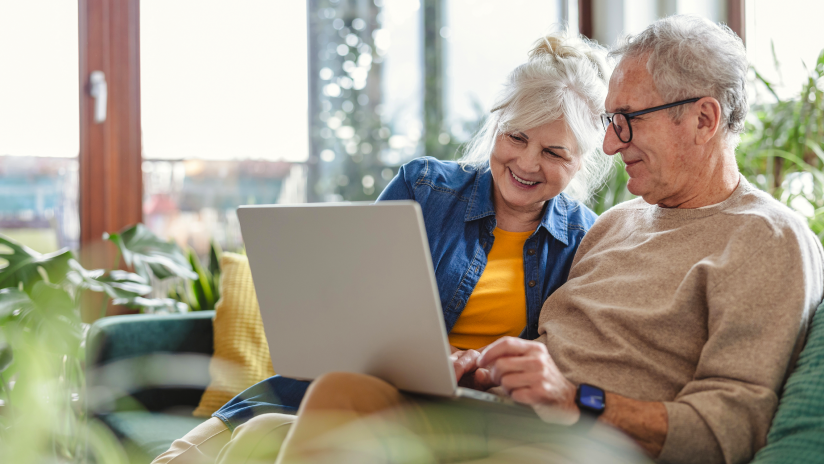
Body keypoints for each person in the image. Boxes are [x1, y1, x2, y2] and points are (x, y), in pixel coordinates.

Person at [259, 15, 824, 464]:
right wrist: (488, 366)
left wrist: (577, 400)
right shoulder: (614, 224)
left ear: (703, 119)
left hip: (587, 445)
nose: (607, 147)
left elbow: (729, 431)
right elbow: (549, 346)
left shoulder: (768, 239)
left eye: (627, 120)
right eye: (609, 122)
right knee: (341, 395)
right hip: (498, 413)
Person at [152, 31, 614, 464]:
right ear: (496, 127)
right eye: (516, 137)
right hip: (349, 387)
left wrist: (485, 368)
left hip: (464, 414)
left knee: (261, 437)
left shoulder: (585, 242)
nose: (527, 162)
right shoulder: (425, 187)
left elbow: (560, 367)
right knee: (191, 454)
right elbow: (350, 310)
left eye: (554, 153)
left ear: (582, 162)